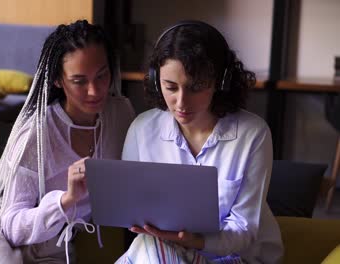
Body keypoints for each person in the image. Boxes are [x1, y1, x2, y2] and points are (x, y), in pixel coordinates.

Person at [0, 20, 135, 264]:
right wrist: (67, 199)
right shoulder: (36, 132)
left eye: (101, 76)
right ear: (58, 80)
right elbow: (12, 226)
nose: (94, 90)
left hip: (55, 244)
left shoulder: (120, 115)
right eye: (79, 81)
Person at [116, 21, 284, 263]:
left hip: (235, 257)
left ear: (221, 82)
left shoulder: (253, 134)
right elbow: (131, 209)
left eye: (196, 88)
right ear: (156, 80)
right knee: (148, 246)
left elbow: (244, 230)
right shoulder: (142, 129)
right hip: (166, 252)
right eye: (171, 87)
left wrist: (193, 240)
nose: (181, 102)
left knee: (149, 249)